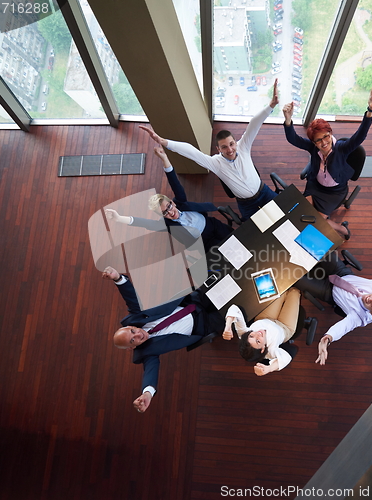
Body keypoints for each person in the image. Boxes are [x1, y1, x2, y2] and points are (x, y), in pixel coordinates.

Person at [139, 79, 280, 220]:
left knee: (287, 212)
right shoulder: (215, 163)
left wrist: (271, 105)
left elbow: (254, 124)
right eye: (224, 147)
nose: (230, 150)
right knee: (259, 232)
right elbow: (191, 152)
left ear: (235, 142)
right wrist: (164, 142)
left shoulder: (243, 147)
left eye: (231, 144)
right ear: (218, 149)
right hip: (246, 204)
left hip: (264, 192)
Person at [102, 266, 224, 413]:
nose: (138, 335)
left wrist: (117, 278)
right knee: (235, 310)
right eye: (133, 340)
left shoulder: (136, 316)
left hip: (193, 303)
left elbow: (130, 296)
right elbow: (150, 372)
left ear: (131, 327)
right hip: (204, 325)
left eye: (133, 331)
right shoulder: (146, 353)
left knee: (226, 282)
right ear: (131, 348)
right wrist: (147, 393)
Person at [293, 230, 372, 366]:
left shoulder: (360, 318)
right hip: (341, 274)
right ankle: (294, 228)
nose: (371, 299)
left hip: (329, 291)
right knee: (319, 245)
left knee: (294, 278)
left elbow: (342, 327)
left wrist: (327, 338)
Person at [282, 88, 372, 239]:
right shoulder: (313, 147)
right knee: (302, 212)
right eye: (318, 140)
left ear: (331, 133)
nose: (323, 142)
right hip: (316, 186)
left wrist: (370, 109)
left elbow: (360, 136)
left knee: (317, 221)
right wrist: (288, 120)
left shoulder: (342, 148)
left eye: (326, 136)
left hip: (335, 192)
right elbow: (293, 139)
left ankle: (343, 230)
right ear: (314, 142)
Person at [105, 147, 233, 253]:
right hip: (204, 242)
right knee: (227, 256)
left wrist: (164, 158)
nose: (170, 212)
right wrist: (118, 218)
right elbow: (144, 223)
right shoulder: (167, 225)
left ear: (172, 203)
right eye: (164, 213)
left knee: (237, 241)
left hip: (212, 224)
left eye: (169, 207)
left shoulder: (180, 201)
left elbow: (175, 183)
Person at [222, 288, 316, 376]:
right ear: (263, 348)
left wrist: (228, 325)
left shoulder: (243, 334)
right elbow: (286, 358)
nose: (257, 334)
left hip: (265, 318)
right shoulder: (270, 352)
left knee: (280, 289)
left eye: (251, 336)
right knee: (294, 292)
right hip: (285, 327)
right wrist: (269, 368)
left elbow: (234, 309)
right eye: (258, 341)